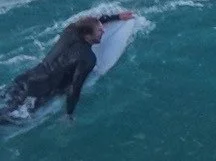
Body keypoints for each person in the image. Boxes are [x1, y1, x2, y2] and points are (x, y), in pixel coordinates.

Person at [2, 11, 134, 125]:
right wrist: (69, 114)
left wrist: (117, 17)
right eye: (99, 30)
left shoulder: (71, 29)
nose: (103, 31)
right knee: (6, 120)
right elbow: (75, 88)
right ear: (87, 35)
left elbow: (89, 22)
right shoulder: (87, 58)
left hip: (25, 78)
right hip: (38, 92)